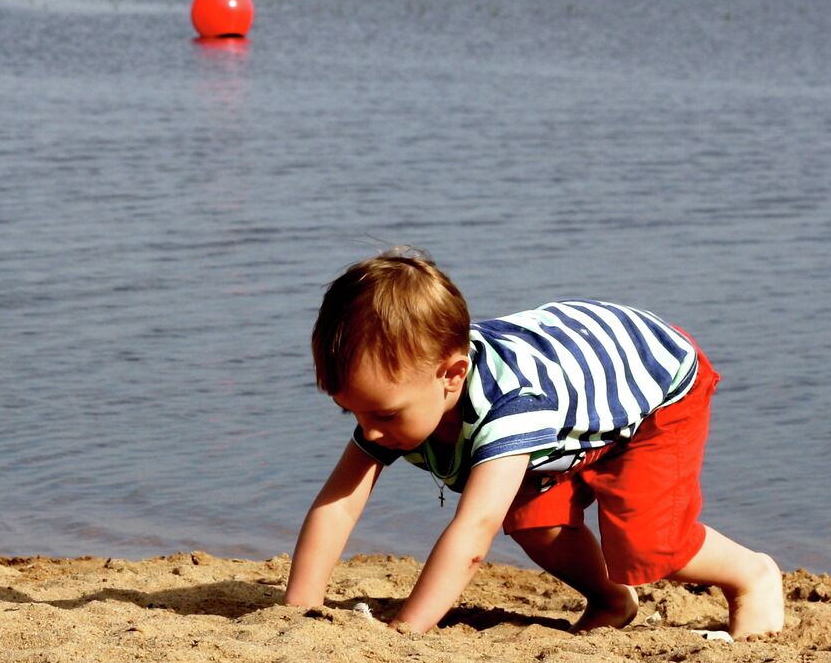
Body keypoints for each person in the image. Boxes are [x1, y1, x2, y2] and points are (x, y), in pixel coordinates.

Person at [282, 248, 785, 638]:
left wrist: (408, 629)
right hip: (568, 399)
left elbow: (473, 534)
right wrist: (298, 611)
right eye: (352, 411)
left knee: (648, 541)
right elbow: (337, 507)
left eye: (383, 414)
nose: (368, 431)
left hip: (655, 382)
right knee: (533, 519)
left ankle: (751, 575)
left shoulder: (510, 406)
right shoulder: (397, 399)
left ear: (452, 376)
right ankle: (612, 600)